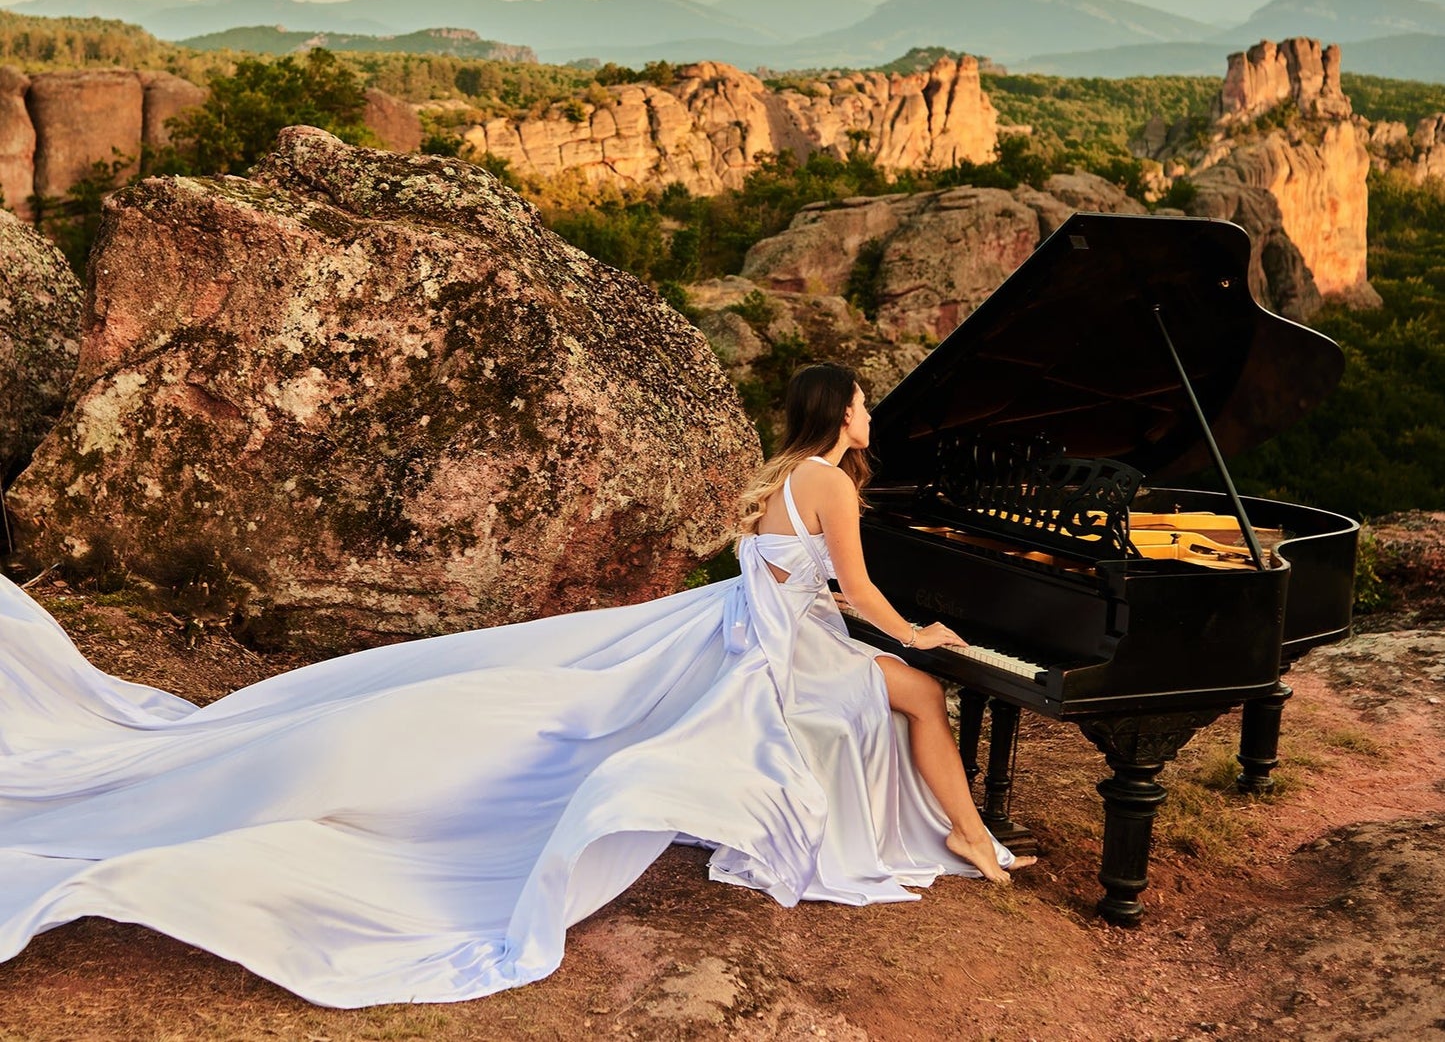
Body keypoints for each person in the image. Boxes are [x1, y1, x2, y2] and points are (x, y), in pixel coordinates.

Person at [0, 362, 1027, 1009]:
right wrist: (922, 630)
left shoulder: (778, 480)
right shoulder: (832, 484)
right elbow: (854, 594)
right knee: (918, 691)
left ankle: (953, 829)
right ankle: (972, 839)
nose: (863, 412)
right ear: (834, 415)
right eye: (856, 400)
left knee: (891, 697)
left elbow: (790, 586)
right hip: (777, 658)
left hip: (736, 635)